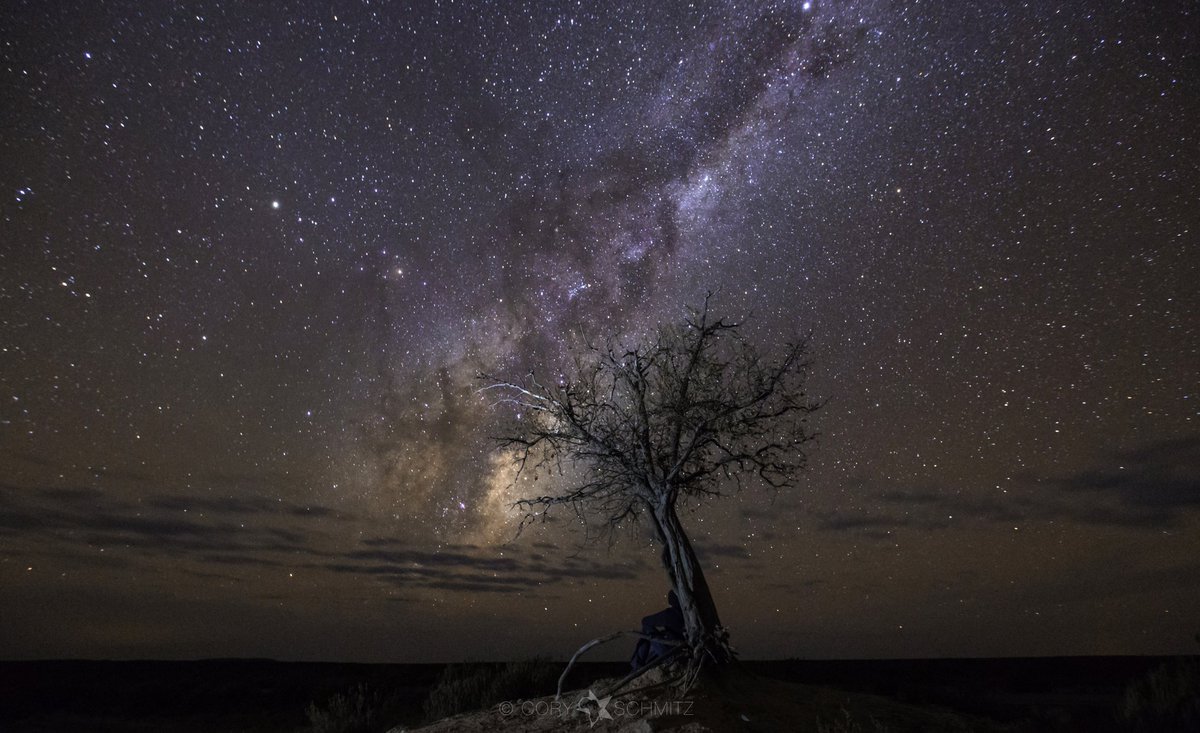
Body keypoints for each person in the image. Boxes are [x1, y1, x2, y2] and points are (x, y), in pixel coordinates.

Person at [630, 589, 686, 671]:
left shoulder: (671, 614)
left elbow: (646, 621)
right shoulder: (687, 614)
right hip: (681, 647)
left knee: (647, 628)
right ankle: (639, 663)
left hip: (671, 651)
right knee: (659, 635)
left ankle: (637, 663)